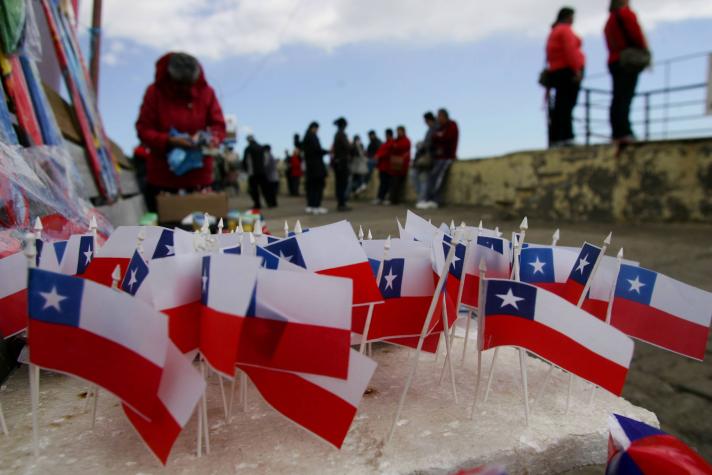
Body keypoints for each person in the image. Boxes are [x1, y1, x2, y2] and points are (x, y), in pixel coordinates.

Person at [136, 52, 226, 212]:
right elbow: (143, 129)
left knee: (204, 229)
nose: (186, 89)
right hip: (162, 177)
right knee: (165, 230)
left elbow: (219, 126)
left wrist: (207, 138)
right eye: (180, 85)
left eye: (189, 84)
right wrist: (169, 140)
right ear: (170, 79)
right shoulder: (154, 92)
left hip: (199, 176)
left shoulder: (206, 92)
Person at [605, 0, 648, 147]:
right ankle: (624, 131)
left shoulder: (609, 19)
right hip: (627, 59)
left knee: (618, 97)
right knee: (625, 96)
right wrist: (644, 51)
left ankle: (618, 131)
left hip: (614, 60)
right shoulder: (626, 14)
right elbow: (636, 35)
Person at [546, 7, 585, 147]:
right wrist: (576, 69)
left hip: (557, 72)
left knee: (560, 106)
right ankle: (566, 137)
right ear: (568, 17)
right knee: (566, 105)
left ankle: (557, 138)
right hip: (566, 72)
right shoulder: (564, 30)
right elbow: (570, 50)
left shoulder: (554, 31)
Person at [424, 108, 459, 209]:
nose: (437, 118)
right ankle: (429, 199)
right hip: (438, 158)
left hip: (447, 157)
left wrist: (438, 137)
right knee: (432, 176)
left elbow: (446, 138)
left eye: (439, 116)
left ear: (444, 116)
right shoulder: (440, 127)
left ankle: (435, 200)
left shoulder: (452, 125)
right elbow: (433, 139)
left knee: (438, 176)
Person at [302, 121, 329, 214]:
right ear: (314, 128)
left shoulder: (306, 137)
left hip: (310, 167)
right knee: (318, 186)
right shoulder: (312, 137)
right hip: (316, 167)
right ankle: (316, 206)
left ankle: (310, 205)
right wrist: (327, 151)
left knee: (311, 187)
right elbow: (317, 150)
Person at [243, 135, 274, 209]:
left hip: (253, 173)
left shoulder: (248, 149)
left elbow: (246, 161)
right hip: (262, 172)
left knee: (254, 189)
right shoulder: (261, 147)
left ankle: (257, 204)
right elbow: (266, 159)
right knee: (265, 188)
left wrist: (247, 170)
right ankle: (269, 202)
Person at [414, 112, 437, 209]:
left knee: (424, 179)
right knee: (418, 178)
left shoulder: (435, 129)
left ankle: (423, 199)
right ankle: (423, 199)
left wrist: (422, 146)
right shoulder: (430, 130)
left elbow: (430, 144)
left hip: (429, 159)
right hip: (425, 158)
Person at [331, 117, 352, 212]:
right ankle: (341, 204)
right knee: (342, 184)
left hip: (338, 163)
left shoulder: (337, 134)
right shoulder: (341, 134)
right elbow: (347, 147)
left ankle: (341, 203)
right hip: (342, 163)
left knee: (340, 184)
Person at [388, 126, 411, 205]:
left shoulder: (406, 140)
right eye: (397, 131)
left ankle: (396, 200)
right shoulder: (395, 140)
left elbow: (400, 147)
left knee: (398, 183)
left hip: (402, 166)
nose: (398, 133)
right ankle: (393, 199)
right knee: (394, 183)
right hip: (395, 165)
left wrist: (395, 146)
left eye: (400, 131)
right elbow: (390, 147)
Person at [373, 129, 394, 205]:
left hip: (388, 167)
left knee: (387, 183)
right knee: (383, 183)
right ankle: (380, 198)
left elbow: (386, 153)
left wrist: (378, 155)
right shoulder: (385, 144)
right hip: (382, 167)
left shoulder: (391, 143)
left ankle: (384, 198)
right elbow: (380, 151)